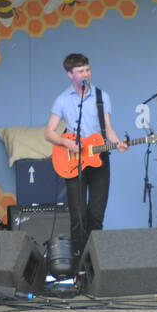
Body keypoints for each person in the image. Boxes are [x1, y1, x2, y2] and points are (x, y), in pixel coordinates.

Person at [44, 53, 125, 263]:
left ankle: (94, 263)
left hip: (99, 158)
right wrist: (66, 142)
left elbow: (108, 129)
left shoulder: (101, 96)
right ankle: (78, 263)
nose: (85, 74)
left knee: (96, 214)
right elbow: (49, 133)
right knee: (77, 217)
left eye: (87, 69)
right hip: (73, 160)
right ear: (70, 74)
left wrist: (118, 143)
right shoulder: (62, 100)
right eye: (80, 71)